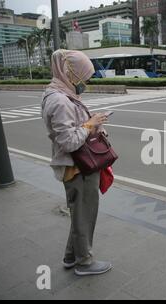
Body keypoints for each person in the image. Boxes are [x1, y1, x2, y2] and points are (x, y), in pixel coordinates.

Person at [41, 49, 112, 276]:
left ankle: (71, 256)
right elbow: (69, 141)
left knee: (80, 214)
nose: (86, 82)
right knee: (84, 215)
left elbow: (75, 128)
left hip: (80, 165)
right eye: (84, 76)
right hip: (77, 168)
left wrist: (95, 124)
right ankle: (84, 262)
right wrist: (90, 124)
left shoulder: (65, 94)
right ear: (70, 72)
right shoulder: (60, 101)